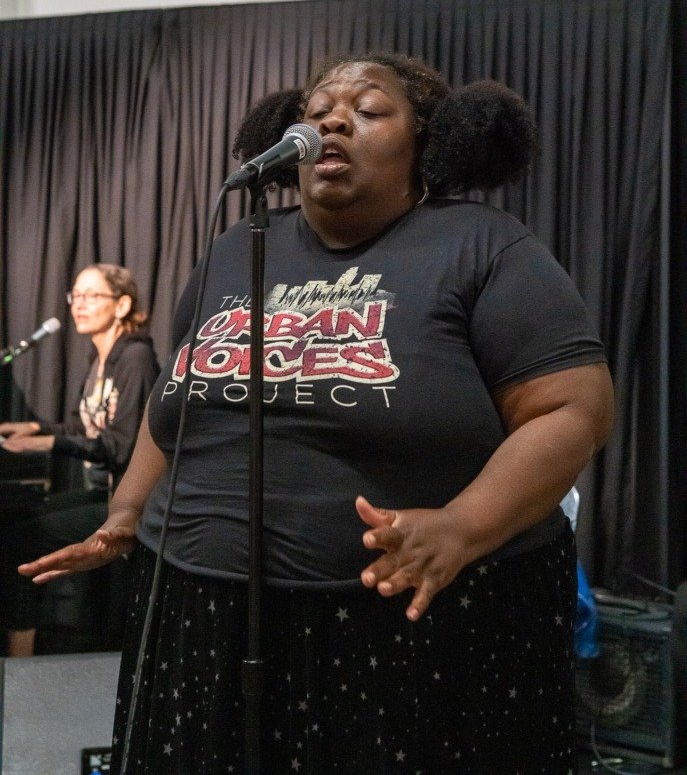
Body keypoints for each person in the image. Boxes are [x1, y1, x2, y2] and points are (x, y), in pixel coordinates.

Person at [19, 54, 614, 773]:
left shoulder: (483, 247)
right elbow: (177, 398)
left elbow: (570, 410)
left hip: (398, 623)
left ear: (426, 144)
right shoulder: (238, 249)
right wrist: (125, 514)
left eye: (367, 110)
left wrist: (461, 526)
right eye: (319, 107)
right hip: (199, 613)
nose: (333, 118)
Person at [0, 263, 159, 656]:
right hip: (104, 493)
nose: (79, 305)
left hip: (128, 503)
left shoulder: (135, 359)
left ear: (122, 305)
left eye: (92, 296)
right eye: (76, 296)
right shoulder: (100, 359)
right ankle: (25, 649)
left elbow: (121, 447)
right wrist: (36, 431)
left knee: (21, 537)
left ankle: (21, 658)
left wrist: (50, 446)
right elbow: (81, 426)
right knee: (18, 519)